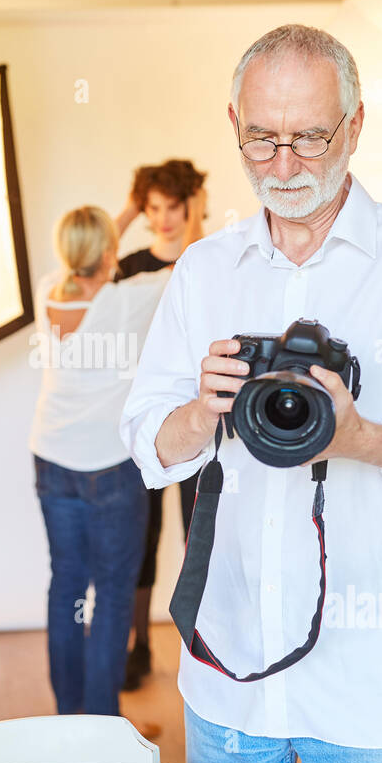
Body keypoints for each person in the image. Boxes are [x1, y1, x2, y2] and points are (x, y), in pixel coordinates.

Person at [119, 24, 382, 763]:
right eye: (260, 139)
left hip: (375, 695)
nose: (285, 165)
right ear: (233, 125)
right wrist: (204, 411)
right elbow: (144, 441)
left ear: (356, 126)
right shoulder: (203, 270)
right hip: (228, 687)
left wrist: (361, 438)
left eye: (311, 137)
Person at [29, 205, 170, 719]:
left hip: (50, 459)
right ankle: (103, 727)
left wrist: (128, 211)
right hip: (111, 466)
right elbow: (184, 266)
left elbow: (88, 253)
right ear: (109, 252)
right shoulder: (127, 300)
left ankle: (70, 720)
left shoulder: (48, 291)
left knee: (66, 581)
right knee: (112, 591)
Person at [112, 159, 208, 691]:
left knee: (202, 534)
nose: (164, 219)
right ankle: (139, 646)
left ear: (191, 204)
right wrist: (130, 206)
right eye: (153, 209)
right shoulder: (128, 266)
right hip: (147, 422)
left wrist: (196, 220)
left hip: (204, 422)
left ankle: (203, 639)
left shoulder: (207, 259)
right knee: (141, 540)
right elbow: (89, 262)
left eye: (174, 206)